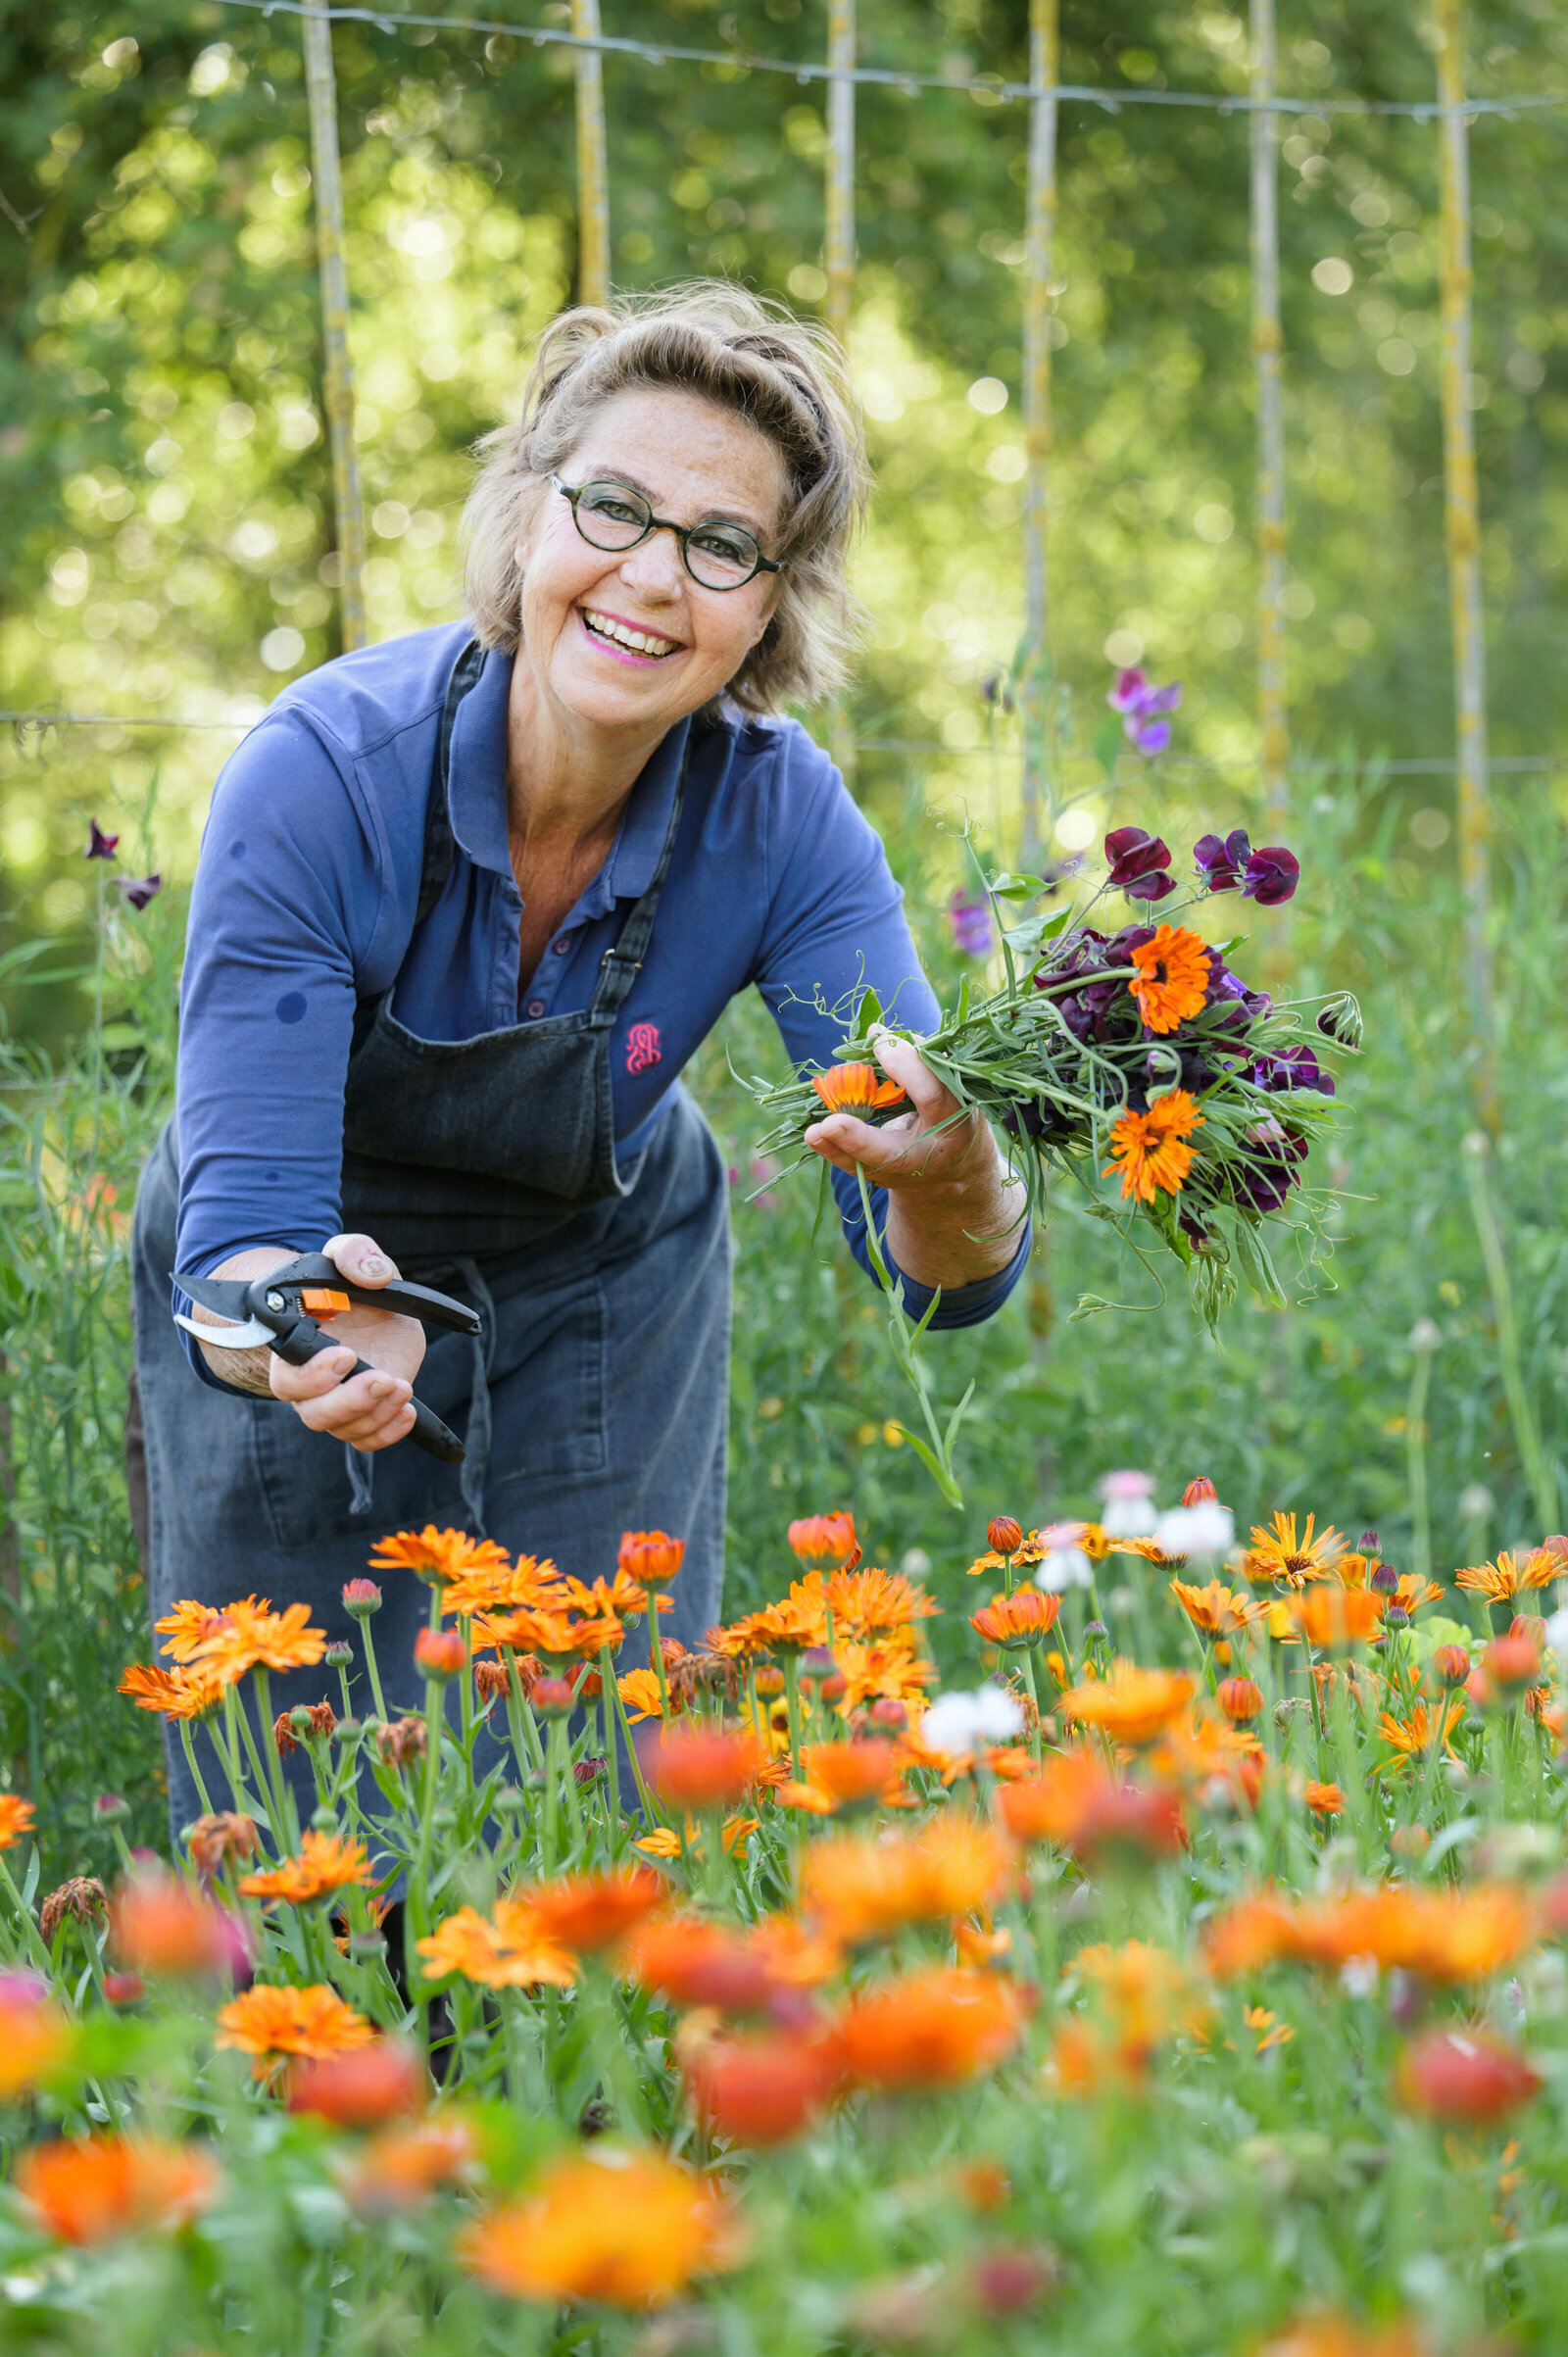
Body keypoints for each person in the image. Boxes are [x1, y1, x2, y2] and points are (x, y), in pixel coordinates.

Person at [129, 283, 1030, 1836]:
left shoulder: (782, 820)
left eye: (722, 543)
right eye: (612, 506)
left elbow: (936, 1274)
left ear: (769, 604)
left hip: (603, 1266)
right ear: (530, 521)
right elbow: (238, 1244)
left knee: (599, 1770)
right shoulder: (320, 775)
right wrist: (308, 1334)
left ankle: (586, 2077)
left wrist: (961, 1174)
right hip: (308, 1268)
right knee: (288, 1810)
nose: (651, 576)